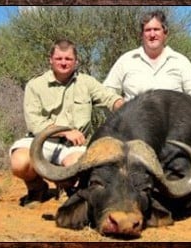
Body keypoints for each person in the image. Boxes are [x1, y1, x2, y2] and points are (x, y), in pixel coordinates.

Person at [9, 39, 124, 206]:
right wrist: (65, 132)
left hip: (73, 146)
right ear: (51, 60)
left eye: (68, 59)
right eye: (59, 58)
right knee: (20, 162)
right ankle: (36, 188)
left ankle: (66, 187)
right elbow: (35, 124)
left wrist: (125, 106)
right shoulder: (35, 85)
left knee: (78, 166)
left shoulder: (86, 82)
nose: (63, 63)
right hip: (41, 141)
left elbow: (109, 98)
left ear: (76, 61)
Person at [103, 10, 191, 117]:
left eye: (156, 29)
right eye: (147, 30)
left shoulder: (180, 61)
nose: (152, 34)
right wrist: (118, 106)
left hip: (173, 130)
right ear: (141, 34)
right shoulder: (126, 60)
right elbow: (105, 93)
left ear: (165, 33)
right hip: (134, 128)